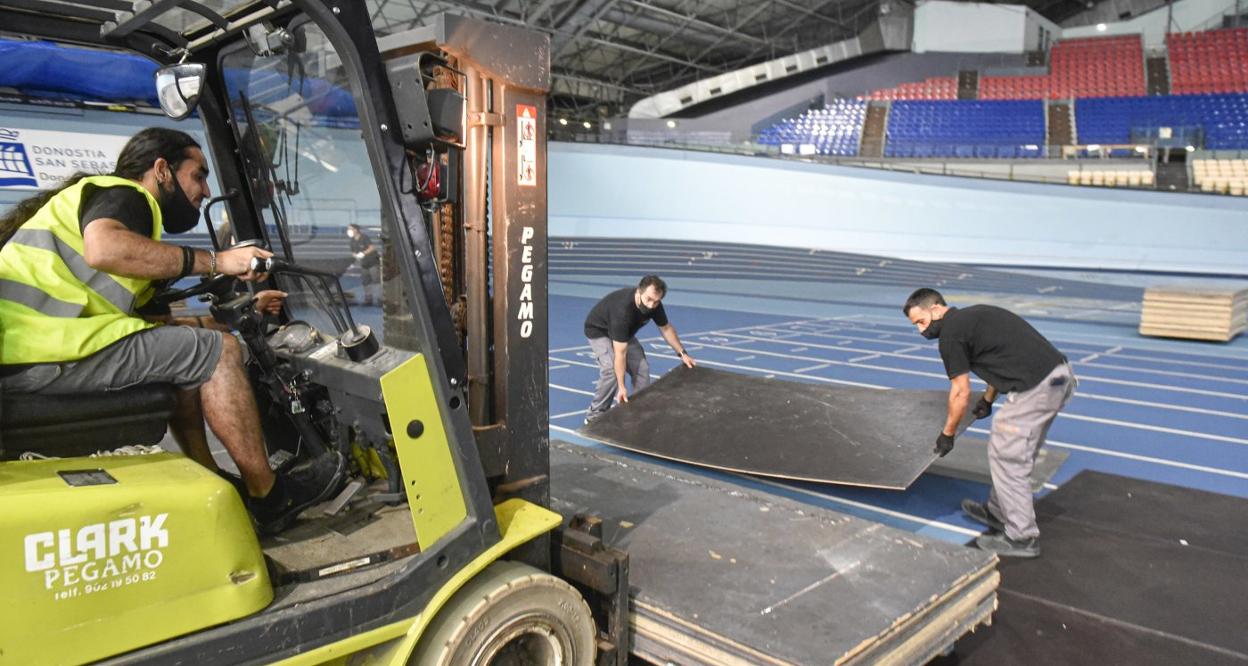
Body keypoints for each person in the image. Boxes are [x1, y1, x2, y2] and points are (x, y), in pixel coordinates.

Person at [0, 127, 343, 535]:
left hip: (36, 351)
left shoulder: (107, 223)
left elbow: (154, 330)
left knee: (194, 354)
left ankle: (210, 478)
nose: (204, 190)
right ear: (161, 171)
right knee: (218, 352)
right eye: (198, 175)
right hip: (41, 353)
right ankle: (271, 497)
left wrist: (242, 311)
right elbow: (105, 249)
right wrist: (219, 262)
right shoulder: (127, 196)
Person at [902, 288, 1076, 558]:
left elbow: (959, 392)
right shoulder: (975, 316)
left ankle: (1022, 537)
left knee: (1008, 456)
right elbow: (999, 361)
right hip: (1059, 377)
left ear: (936, 310)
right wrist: (988, 399)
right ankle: (998, 512)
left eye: (921, 322)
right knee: (1015, 452)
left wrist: (947, 434)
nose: (920, 331)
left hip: (1036, 388)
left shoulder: (950, 335)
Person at [583, 275, 696, 422]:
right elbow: (620, 353)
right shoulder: (622, 311)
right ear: (639, 291)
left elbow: (666, 329)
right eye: (648, 299)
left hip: (624, 334)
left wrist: (682, 353)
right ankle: (594, 415)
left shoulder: (655, 305)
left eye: (656, 302)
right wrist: (622, 387)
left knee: (642, 368)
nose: (651, 305)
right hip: (599, 330)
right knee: (611, 370)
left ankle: (638, 410)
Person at [346, 223, 380, 306]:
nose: (348, 231)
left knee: (376, 281)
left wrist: (363, 253)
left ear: (355, 230)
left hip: (372, 262)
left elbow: (372, 248)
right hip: (364, 264)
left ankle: (380, 299)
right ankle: (368, 299)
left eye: (350, 229)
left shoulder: (364, 237)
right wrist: (355, 256)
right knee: (366, 282)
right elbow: (353, 252)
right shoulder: (352, 241)